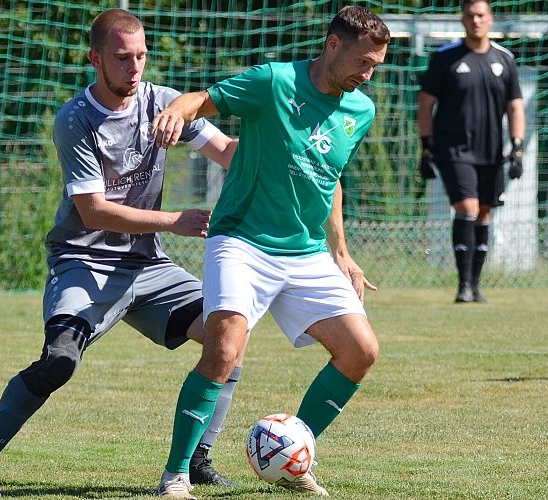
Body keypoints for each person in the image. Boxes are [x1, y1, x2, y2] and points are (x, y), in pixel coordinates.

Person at [0, 9, 242, 494]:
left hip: (146, 265)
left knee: (226, 340)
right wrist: (177, 221)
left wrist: (280, 150)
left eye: (141, 56)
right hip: (83, 261)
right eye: (122, 57)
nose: (134, 67)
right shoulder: (76, 119)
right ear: (95, 59)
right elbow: (93, 211)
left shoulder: (163, 103)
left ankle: (196, 457)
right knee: (59, 361)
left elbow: (228, 151)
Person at [149, 6, 389, 498]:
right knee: (223, 350)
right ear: (333, 45)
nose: (367, 75)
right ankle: (175, 476)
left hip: (306, 252)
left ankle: (291, 455)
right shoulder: (273, 81)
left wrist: (341, 251)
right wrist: (177, 110)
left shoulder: (360, 111)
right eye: (362, 62)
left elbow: (330, 177)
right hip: (242, 241)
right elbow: (203, 100)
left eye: (375, 66)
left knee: (361, 351)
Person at [417, 0, 525, 303]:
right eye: (470, 15)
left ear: (490, 19)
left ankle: (475, 286)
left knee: (484, 212)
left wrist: (517, 147)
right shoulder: (445, 58)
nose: (475, 20)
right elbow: (426, 104)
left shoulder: (504, 59)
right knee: (467, 208)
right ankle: (463, 285)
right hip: (454, 148)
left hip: (491, 151)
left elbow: (515, 106)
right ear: (462, 20)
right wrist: (426, 146)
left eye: (480, 15)